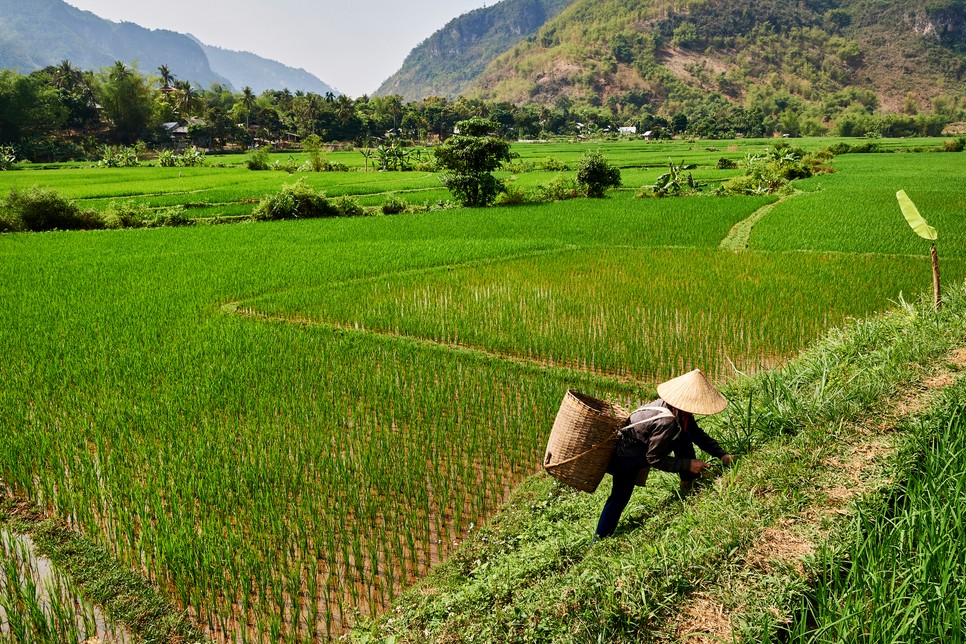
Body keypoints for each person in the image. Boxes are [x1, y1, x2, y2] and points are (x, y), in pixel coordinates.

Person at [594, 369, 734, 539]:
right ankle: (600, 538)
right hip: (627, 458)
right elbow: (654, 458)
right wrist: (688, 464)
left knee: (685, 435)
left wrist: (722, 454)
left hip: (642, 447)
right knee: (619, 497)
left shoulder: (680, 412)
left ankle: (687, 483)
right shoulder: (666, 421)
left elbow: (696, 433)